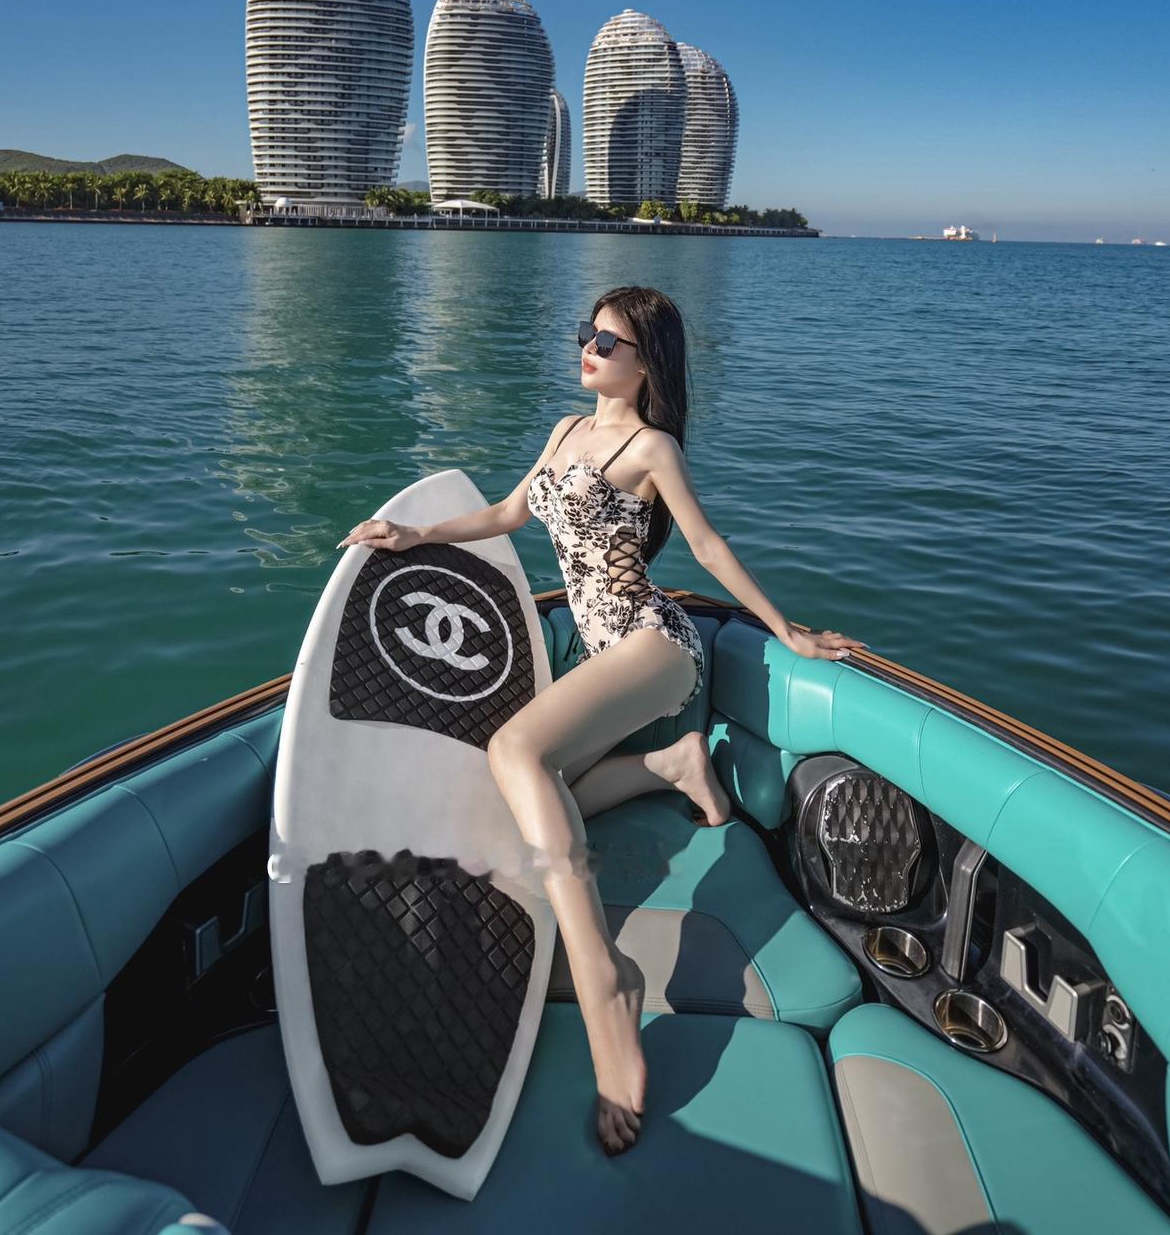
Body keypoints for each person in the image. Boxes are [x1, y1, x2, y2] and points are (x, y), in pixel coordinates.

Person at [339, 284, 863, 1158]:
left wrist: (788, 631)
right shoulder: (564, 432)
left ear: (647, 362)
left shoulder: (651, 447)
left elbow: (707, 547)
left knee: (515, 750)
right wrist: (413, 536)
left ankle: (603, 974)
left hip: (655, 645)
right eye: (586, 333)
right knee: (531, 799)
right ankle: (675, 765)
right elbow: (508, 514)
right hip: (602, 649)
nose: (587, 348)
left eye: (608, 341)